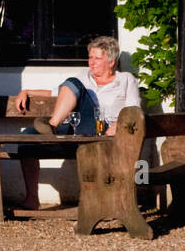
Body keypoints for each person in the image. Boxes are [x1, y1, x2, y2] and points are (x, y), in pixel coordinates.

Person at [13, 35, 140, 211]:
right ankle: (32, 199)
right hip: (77, 131)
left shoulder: (125, 79)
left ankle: (52, 125)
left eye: (97, 58)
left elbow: (134, 111)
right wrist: (26, 91)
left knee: (74, 84)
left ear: (111, 62)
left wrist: (118, 126)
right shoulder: (84, 77)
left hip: (103, 131)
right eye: (90, 57)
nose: (91, 62)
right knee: (26, 138)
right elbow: (54, 93)